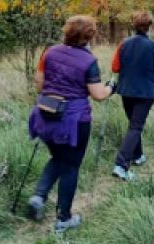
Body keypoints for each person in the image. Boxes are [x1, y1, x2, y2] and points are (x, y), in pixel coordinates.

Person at [27, 15, 115, 233]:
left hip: (45, 114)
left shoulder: (50, 52)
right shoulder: (88, 61)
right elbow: (98, 95)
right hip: (73, 121)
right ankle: (64, 218)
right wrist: (111, 87)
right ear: (89, 36)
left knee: (57, 157)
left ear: (66, 32)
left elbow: (39, 84)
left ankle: (39, 196)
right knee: (70, 166)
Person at [110, 11, 154, 181]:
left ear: (134, 25)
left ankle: (138, 156)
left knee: (133, 125)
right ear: (149, 26)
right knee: (135, 127)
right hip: (145, 93)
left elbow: (115, 68)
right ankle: (121, 165)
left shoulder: (123, 44)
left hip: (126, 91)